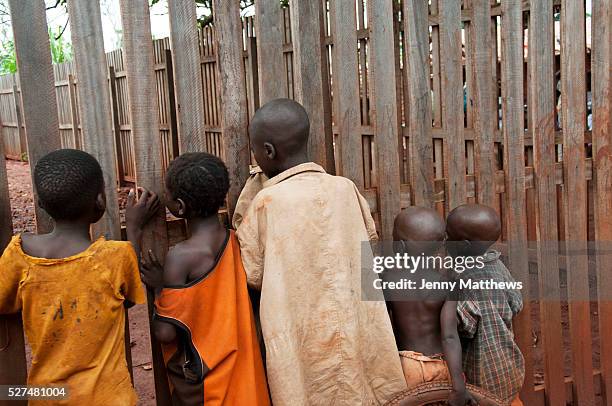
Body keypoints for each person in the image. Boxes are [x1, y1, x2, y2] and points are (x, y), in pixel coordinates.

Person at [236, 98, 406, 405]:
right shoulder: (345, 188)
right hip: (355, 326)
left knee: (306, 389)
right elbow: (370, 245)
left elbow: (253, 274)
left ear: (269, 152)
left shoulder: (264, 203)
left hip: (302, 337)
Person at [0, 149, 158, 405]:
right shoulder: (115, 257)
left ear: (41, 204)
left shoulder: (20, 254)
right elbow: (128, 297)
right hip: (110, 397)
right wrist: (135, 228)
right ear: (100, 202)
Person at [136, 152, 270, 406]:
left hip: (209, 386)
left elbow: (165, 332)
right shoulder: (236, 241)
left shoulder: (181, 257)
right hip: (246, 378)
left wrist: (158, 288)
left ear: (180, 207)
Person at [383, 207, 473, 406]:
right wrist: (458, 386)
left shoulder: (387, 279)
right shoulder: (447, 284)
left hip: (405, 367)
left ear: (400, 246)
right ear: (440, 245)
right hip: (441, 366)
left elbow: (381, 327)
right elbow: (449, 336)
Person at [446, 204, 525, 406]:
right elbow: (516, 303)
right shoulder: (498, 266)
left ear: (462, 244)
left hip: (479, 375)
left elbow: (464, 326)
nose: (445, 241)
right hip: (510, 366)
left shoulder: (463, 278)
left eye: (448, 236)